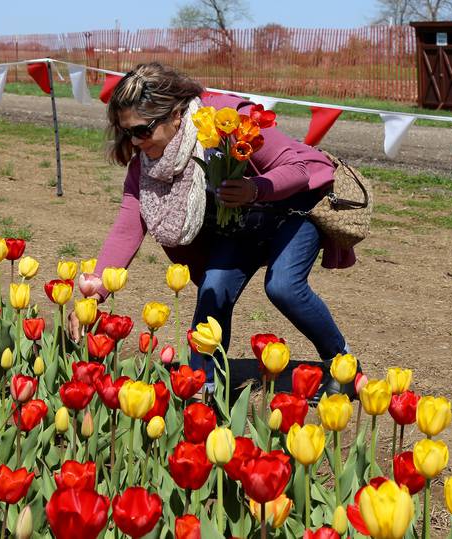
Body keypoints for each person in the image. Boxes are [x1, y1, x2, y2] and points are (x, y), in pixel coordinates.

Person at [69, 62, 357, 400]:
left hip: (291, 209)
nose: (134, 141)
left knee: (283, 287)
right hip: (242, 226)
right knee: (214, 289)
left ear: (175, 114)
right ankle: (204, 388)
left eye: (142, 130)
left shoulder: (226, 120)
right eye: (127, 132)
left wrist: (254, 189)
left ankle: (343, 364)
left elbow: (301, 167)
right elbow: (128, 224)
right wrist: (94, 295)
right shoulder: (146, 167)